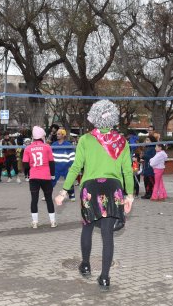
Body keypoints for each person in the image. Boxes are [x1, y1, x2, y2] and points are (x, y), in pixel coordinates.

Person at [55, 100, 134, 289]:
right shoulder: (121, 142)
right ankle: (105, 277)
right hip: (113, 188)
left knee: (87, 228)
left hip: (90, 188)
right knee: (108, 235)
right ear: (113, 117)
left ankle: (86, 265)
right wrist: (129, 196)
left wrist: (64, 192)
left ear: (94, 117)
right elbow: (128, 172)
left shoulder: (85, 140)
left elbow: (76, 167)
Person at [23, 126, 56, 228]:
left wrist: (27, 175)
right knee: (49, 199)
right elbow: (51, 162)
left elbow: (25, 164)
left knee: (34, 199)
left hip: (34, 176)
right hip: (46, 176)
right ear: (42, 136)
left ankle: (35, 223)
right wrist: (53, 174)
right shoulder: (47, 147)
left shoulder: (28, 148)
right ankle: (53, 221)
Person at [51, 129, 75, 200]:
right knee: (51, 181)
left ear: (63, 135)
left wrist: (71, 166)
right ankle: (47, 194)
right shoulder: (54, 144)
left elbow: (72, 156)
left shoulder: (68, 145)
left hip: (66, 167)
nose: (57, 135)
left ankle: (71, 194)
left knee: (69, 181)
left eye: (59, 134)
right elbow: (51, 156)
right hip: (56, 167)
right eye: (57, 134)